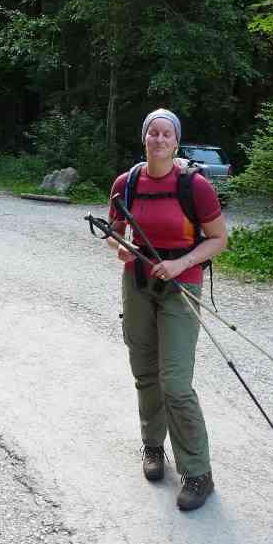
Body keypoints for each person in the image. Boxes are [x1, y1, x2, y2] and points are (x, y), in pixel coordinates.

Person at [106, 108, 228, 511]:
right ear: (144, 139)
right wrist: (122, 247)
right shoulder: (126, 184)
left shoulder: (195, 186)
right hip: (138, 283)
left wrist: (179, 263)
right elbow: (114, 238)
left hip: (181, 284)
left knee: (174, 381)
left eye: (166, 133)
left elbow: (217, 240)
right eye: (152, 133)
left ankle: (198, 472)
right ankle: (153, 447)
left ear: (176, 141)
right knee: (145, 372)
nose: (158, 139)